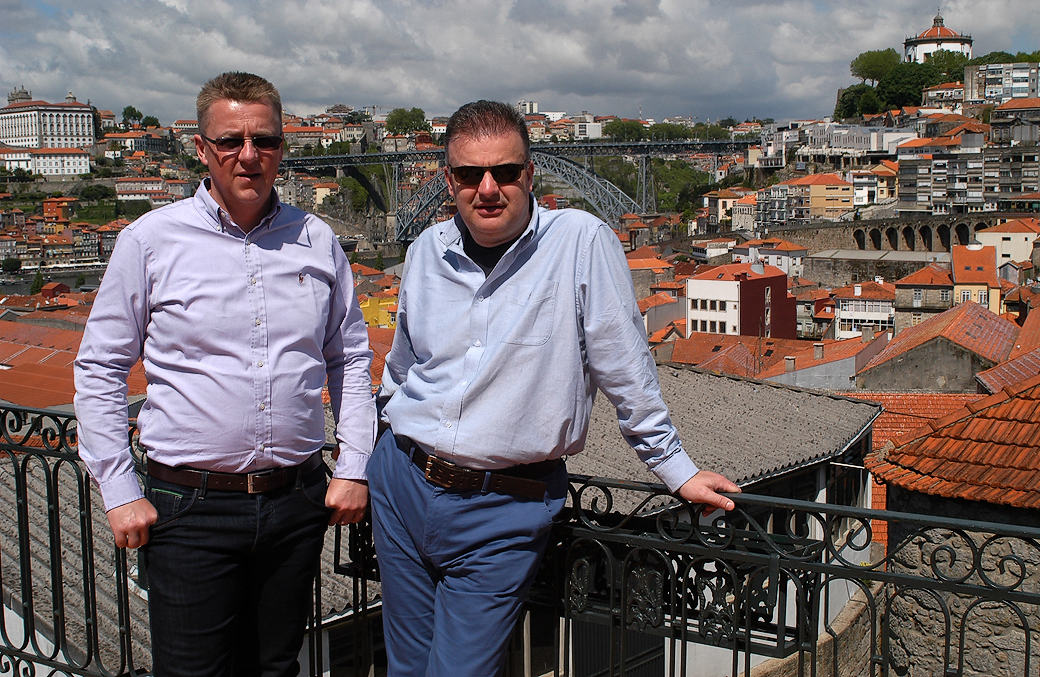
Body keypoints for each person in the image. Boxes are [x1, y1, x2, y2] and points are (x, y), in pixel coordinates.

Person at [370, 99, 739, 677]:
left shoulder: (580, 241)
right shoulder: (425, 250)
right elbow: (402, 366)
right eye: (469, 174)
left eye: (504, 171)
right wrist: (373, 447)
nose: (487, 188)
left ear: (530, 173)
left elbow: (625, 366)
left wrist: (676, 469)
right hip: (400, 482)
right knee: (406, 668)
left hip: (502, 507)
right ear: (448, 179)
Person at [74, 71, 376, 677]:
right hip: (189, 508)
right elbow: (100, 366)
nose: (249, 155)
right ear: (202, 148)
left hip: (295, 501)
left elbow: (349, 360)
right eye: (231, 140)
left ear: (282, 147)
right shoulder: (149, 240)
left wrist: (353, 466)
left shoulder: (317, 240)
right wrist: (119, 490)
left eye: (264, 140)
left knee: (276, 667)